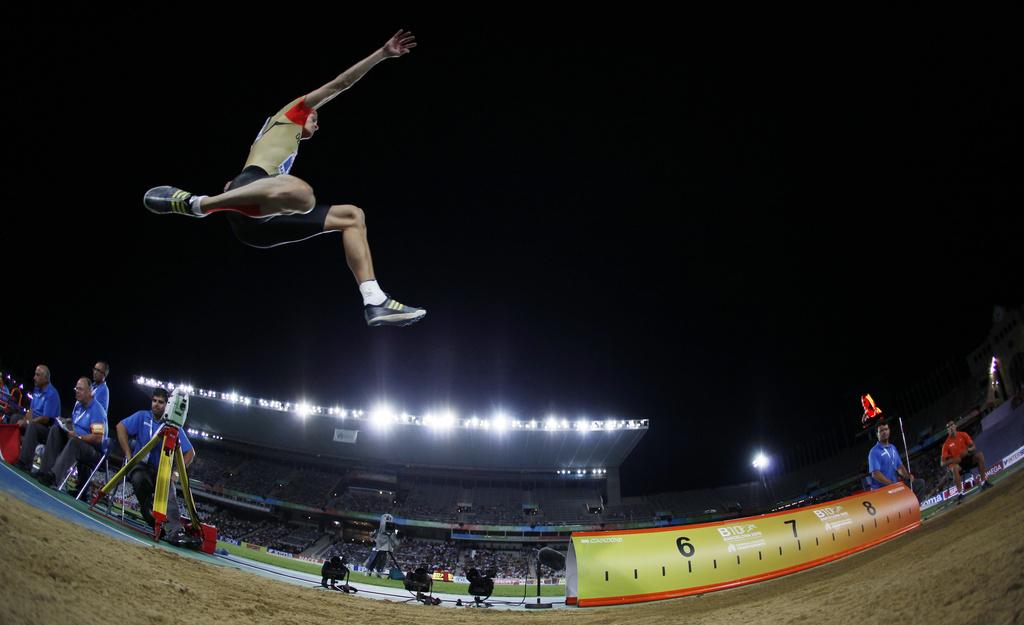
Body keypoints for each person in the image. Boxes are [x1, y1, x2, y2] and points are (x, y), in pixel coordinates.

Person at [143, 29, 425, 328]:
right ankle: (198, 204)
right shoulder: (292, 114)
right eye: (316, 119)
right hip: (252, 187)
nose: (317, 125)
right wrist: (382, 54)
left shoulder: (288, 153)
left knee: (352, 216)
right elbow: (341, 84)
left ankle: (375, 301)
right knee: (303, 194)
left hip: (261, 227)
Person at [115, 387, 195, 538]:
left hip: (161, 471)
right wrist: (128, 454)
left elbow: (190, 452)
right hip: (140, 467)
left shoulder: (173, 426)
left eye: (161, 402)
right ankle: (152, 519)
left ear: (168, 405)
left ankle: (175, 531)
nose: (156, 405)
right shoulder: (142, 416)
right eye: (154, 401)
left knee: (169, 489)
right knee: (139, 479)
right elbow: (120, 427)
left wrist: (176, 473)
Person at [35, 377, 107, 488]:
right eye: (76, 388)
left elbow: (98, 439)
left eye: (81, 389)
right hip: (76, 440)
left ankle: (54, 478)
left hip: (94, 451)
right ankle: (44, 471)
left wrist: (79, 436)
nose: (77, 391)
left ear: (90, 392)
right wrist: (66, 422)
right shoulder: (78, 405)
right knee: (55, 430)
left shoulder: (97, 410)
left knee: (75, 441)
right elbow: (75, 425)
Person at [12, 365, 62, 471]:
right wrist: (25, 420)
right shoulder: (37, 390)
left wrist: (29, 423)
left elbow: (46, 418)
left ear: (45, 378)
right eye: (35, 374)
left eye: (37, 375)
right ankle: (12, 452)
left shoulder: (52, 394)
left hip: (48, 430)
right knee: (15, 418)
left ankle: (25, 463)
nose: (34, 377)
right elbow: (31, 411)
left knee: (32, 426)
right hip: (35, 422)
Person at [867, 422, 924, 500]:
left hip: (895, 487)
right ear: (877, 434)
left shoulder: (893, 448)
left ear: (889, 431)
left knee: (919, 483)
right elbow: (875, 474)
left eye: (886, 429)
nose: (884, 432)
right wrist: (891, 484)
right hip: (882, 490)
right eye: (881, 431)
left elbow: (899, 467)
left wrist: (908, 477)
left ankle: (915, 507)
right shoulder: (874, 452)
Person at [940, 420, 993, 502]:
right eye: (948, 427)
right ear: (947, 431)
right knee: (954, 468)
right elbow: (942, 463)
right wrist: (954, 460)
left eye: (952, 425)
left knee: (980, 455)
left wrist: (968, 450)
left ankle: (984, 482)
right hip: (958, 464)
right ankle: (960, 494)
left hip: (967, 459)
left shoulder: (963, 434)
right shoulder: (946, 444)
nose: (951, 427)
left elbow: (973, 447)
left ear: (955, 426)